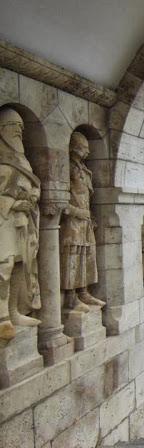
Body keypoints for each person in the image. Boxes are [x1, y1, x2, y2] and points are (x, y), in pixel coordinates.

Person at [0, 108, 41, 341]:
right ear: (2, 129)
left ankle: (14, 312)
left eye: (21, 128)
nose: (19, 131)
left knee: (20, 265)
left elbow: (31, 184)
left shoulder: (22, 158)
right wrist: (13, 204)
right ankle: (2, 316)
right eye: (14, 126)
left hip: (22, 222)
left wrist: (33, 195)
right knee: (3, 267)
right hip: (4, 221)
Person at [60, 132, 105, 312]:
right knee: (72, 258)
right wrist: (79, 212)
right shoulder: (68, 168)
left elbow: (86, 197)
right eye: (84, 147)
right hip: (71, 223)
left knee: (87, 256)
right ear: (75, 147)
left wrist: (90, 216)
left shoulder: (84, 171)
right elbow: (60, 201)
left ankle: (83, 291)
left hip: (85, 222)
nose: (87, 151)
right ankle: (70, 297)